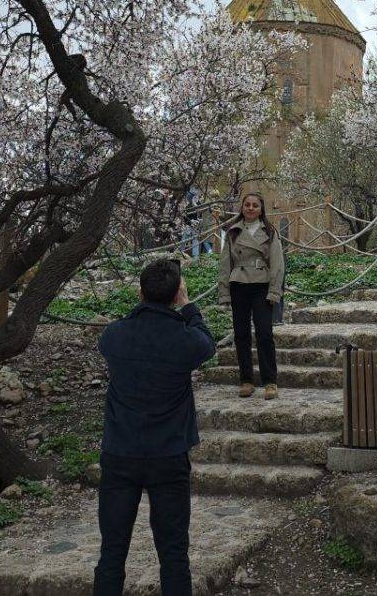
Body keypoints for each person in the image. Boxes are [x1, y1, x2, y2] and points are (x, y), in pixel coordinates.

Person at [94, 259, 215, 596]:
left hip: (120, 452)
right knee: (174, 553)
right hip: (168, 454)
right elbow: (206, 342)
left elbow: (113, 341)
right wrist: (188, 306)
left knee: (112, 553)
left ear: (140, 292)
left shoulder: (114, 336)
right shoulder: (185, 339)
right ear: (177, 293)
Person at [219, 192, 284, 399]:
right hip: (239, 283)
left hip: (262, 284)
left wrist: (275, 291)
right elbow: (225, 264)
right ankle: (246, 380)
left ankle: (270, 381)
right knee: (241, 334)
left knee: (265, 333)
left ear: (261, 209)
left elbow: (277, 263)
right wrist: (224, 293)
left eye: (255, 205)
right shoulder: (233, 232)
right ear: (242, 208)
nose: (250, 208)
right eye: (247, 205)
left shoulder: (270, 231)